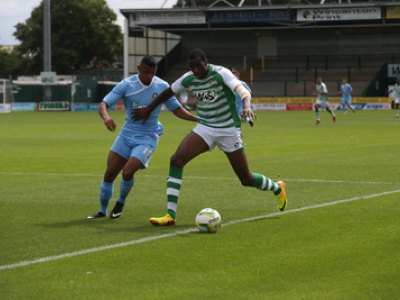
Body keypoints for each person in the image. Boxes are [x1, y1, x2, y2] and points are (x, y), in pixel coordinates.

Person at [133, 48, 287, 226]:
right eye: (193, 67)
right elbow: (168, 92)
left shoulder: (222, 73)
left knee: (246, 179)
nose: (196, 71)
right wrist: (148, 109)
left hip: (228, 129)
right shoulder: (188, 78)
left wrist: (247, 106)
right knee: (176, 160)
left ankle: (277, 187)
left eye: (199, 66)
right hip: (206, 127)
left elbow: (243, 91)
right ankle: (170, 215)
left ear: (206, 62)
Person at [87, 55, 197, 219]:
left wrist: (197, 119)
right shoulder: (127, 84)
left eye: (152, 73)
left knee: (127, 171)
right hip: (126, 134)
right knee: (110, 173)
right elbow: (103, 104)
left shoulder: (162, 86)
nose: (149, 76)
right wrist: (106, 118)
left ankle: (120, 202)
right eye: (146, 72)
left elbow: (177, 109)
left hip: (148, 137)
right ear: (139, 69)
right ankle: (102, 211)